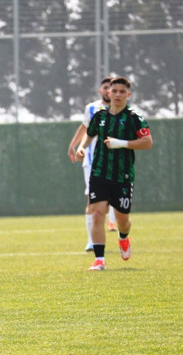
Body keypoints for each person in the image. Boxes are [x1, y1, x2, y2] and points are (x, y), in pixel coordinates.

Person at [76, 76, 152, 271]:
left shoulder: (134, 118)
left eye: (121, 92)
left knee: (122, 220)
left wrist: (122, 143)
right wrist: (81, 147)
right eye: (114, 91)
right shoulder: (100, 116)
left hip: (123, 176)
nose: (117, 95)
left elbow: (148, 142)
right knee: (98, 213)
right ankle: (99, 259)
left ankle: (123, 237)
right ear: (108, 93)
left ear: (128, 94)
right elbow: (90, 133)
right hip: (99, 173)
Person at [67, 76, 117, 252]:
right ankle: (91, 241)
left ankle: (121, 232)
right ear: (100, 90)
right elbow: (85, 127)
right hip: (92, 162)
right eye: (105, 87)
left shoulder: (121, 110)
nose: (108, 91)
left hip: (115, 162)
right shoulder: (91, 108)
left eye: (111, 88)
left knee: (113, 200)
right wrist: (73, 145)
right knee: (92, 199)